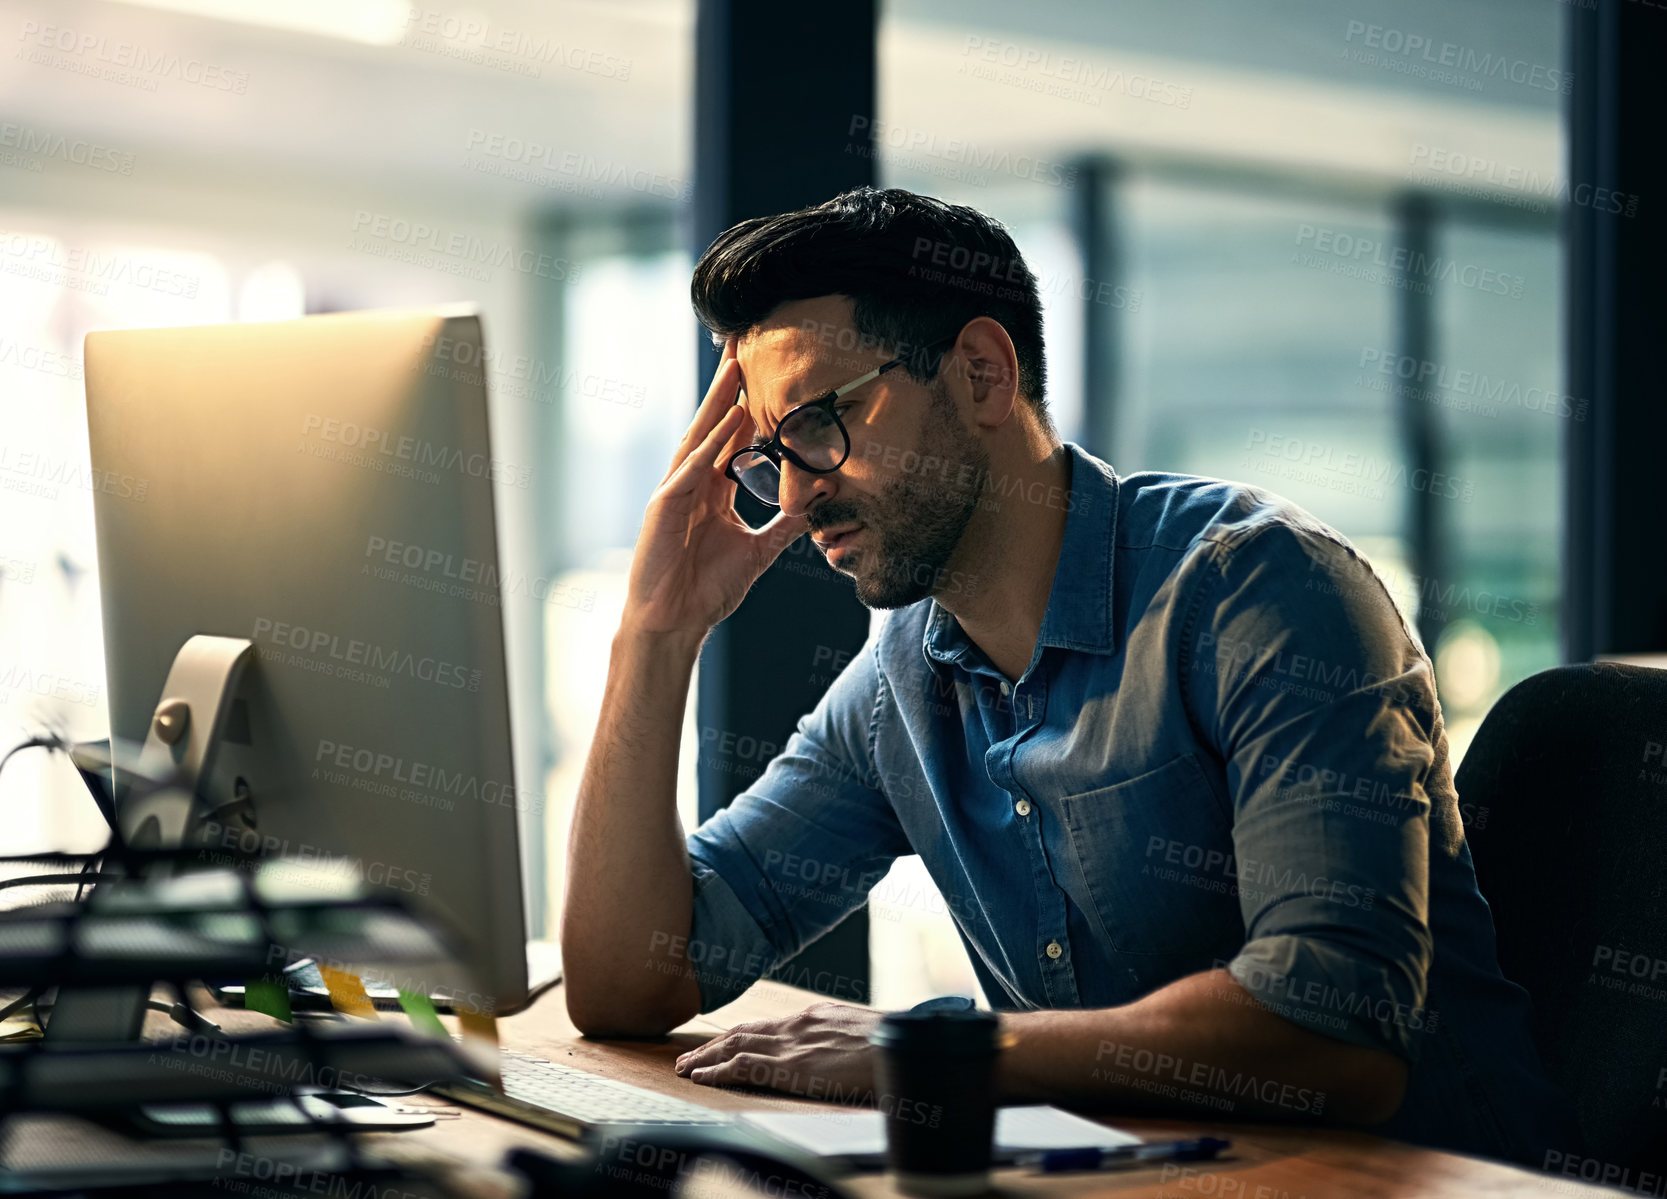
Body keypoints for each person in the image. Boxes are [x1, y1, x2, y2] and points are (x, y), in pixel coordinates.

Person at [559, 186, 1575, 1165]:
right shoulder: (899, 686)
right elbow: (628, 982)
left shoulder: (1259, 593)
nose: (793, 495)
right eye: (769, 454)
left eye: (820, 425)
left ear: (981, 375)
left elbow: (1333, 1028)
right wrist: (656, 632)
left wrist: (941, 1060)